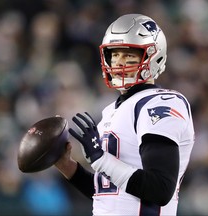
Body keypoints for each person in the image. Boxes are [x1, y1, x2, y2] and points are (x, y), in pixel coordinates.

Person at [55, 14, 195, 216]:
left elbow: (160, 189)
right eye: (114, 55)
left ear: (153, 57)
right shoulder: (111, 110)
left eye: (129, 55)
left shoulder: (161, 103)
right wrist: (68, 167)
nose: (119, 63)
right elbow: (110, 194)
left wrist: (99, 159)